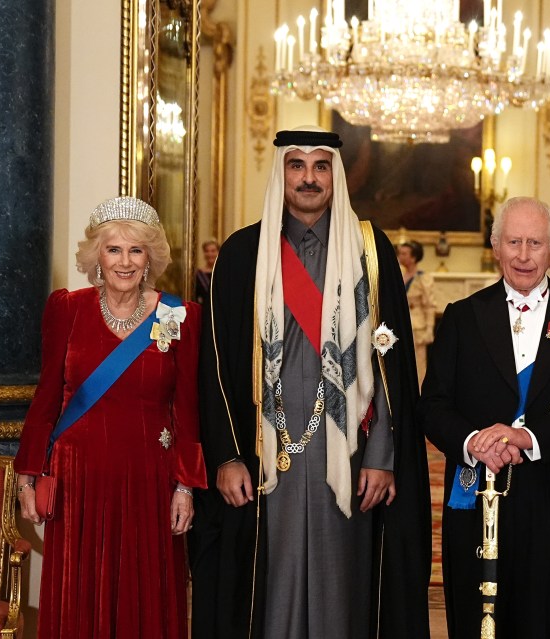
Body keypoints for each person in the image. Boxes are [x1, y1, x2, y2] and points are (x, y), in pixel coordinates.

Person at [188, 126, 431, 639]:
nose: (308, 177)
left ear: (335, 175)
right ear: (280, 172)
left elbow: (390, 358)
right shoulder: (241, 254)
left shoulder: (370, 250)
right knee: (269, 581)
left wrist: (383, 455)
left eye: (321, 166)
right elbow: (213, 366)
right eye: (296, 165)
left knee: (345, 581)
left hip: (347, 451)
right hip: (265, 450)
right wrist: (228, 456)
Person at [419, 196, 550, 638]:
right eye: (513, 242)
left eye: (535, 243)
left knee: (540, 614)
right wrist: (473, 443)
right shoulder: (462, 317)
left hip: (548, 492)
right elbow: (432, 405)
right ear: (495, 247)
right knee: (474, 614)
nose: (524, 255)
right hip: (473, 492)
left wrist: (526, 438)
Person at [14, 196, 206, 638]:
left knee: (145, 596)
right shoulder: (67, 307)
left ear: (150, 257)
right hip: (77, 479)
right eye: (113, 249)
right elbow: (45, 398)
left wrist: (185, 487)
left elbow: (187, 408)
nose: (125, 261)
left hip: (148, 480)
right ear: (96, 256)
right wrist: (27, 479)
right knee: (79, 597)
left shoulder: (179, 315)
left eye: (135, 250)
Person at [397, 239, 435, 385]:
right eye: (400, 253)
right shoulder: (400, 276)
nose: (400, 256)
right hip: (400, 325)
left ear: (413, 257)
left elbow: (429, 305)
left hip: (417, 327)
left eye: (404, 254)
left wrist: (429, 329)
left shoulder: (423, 278)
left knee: (418, 365)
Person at [194, 238, 220, 304]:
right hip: (205, 310)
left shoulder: (224, 272)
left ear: (218, 252)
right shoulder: (199, 274)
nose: (210, 254)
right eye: (207, 251)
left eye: (213, 251)